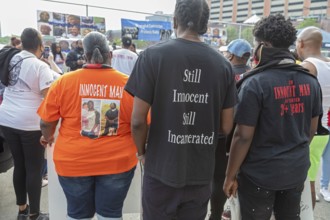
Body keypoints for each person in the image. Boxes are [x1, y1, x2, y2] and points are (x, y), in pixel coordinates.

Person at [125, 0, 237, 219]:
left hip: (160, 169)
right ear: (205, 26)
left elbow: (137, 121)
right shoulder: (223, 65)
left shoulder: (152, 56)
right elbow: (226, 125)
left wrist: (142, 153)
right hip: (201, 172)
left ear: (175, 21)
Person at [223, 14, 322, 220]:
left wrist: (230, 176)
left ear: (264, 45)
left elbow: (242, 136)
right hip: (295, 172)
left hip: (259, 175)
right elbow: (311, 130)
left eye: (256, 43)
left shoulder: (254, 83)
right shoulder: (311, 82)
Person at [37, 31, 137, 220]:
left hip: (73, 162)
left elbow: (46, 122)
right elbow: (141, 123)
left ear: (85, 56)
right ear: (111, 55)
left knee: (78, 215)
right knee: (110, 214)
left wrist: (48, 136)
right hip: (117, 163)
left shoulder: (64, 82)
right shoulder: (129, 84)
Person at [0, 27, 59, 220]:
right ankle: (35, 214)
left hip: (6, 120)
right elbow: (48, 101)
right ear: (41, 46)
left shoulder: (11, 58)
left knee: (20, 165)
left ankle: (22, 210)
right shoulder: (39, 66)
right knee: (34, 168)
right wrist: (48, 131)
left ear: (22, 44)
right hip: (29, 124)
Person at [209, 38, 251, 220]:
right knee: (238, 176)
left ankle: (216, 214)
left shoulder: (222, 73)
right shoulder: (253, 74)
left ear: (231, 55)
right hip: (246, 136)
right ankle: (230, 211)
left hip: (222, 136)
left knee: (218, 179)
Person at [296, 26, 330, 205]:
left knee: (302, 183)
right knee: (310, 179)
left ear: (301, 43)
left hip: (306, 131)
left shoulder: (307, 67)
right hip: (323, 130)